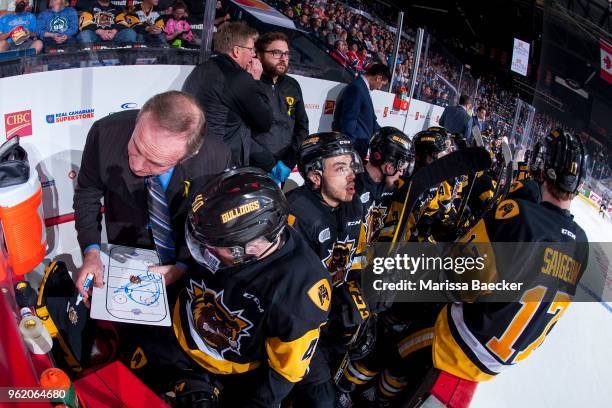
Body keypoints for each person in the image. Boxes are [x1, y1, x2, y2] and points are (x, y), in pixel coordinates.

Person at [369, 129, 589, 405]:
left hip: (463, 340)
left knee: (397, 353)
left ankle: (374, 400)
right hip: (501, 359)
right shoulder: (582, 244)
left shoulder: (519, 215)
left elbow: (456, 277)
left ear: (543, 168)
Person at [124, 167, 331, 407]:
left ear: (248, 248)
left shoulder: (298, 294)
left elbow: (283, 374)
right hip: (176, 333)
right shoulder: (219, 232)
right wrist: (179, 269)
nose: (202, 251)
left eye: (212, 247)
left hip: (228, 371)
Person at [73, 91, 232, 306]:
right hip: (123, 247)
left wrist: (183, 265)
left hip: (183, 253)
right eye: (136, 147)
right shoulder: (104, 134)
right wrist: (91, 251)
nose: (137, 165)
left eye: (156, 163)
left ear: (186, 157)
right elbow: (88, 192)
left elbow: (208, 221)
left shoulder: (215, 158)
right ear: (140, 120)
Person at [286, 132, 370, 407]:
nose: (351, 175)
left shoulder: (353, 204)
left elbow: (355, 260)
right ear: (314, 176)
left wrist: (360, 297)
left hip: (331, 320)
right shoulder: (296, 214)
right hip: (300, 329)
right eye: (340, 167)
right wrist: (335, 309)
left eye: (351, 165)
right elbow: (288, 298)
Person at [182, 22, 273, 168]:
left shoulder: (199, 70)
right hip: (223, 163)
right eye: (251, 49)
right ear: (236, 51)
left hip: (193, 156)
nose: (254, 54)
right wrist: (255, 81)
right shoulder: (239, 78)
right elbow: (265, 122)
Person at [254, 31, 309, 184]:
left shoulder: (292, 85)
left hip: (284, 166)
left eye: (286, 54)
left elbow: (302, 126)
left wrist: (288, 162)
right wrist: (268, 164)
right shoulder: (250, 83)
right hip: (254, 166)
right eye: (276, 53)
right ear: (259, 55)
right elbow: (241, 131)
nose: (283, 59)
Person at [356, 127, 415, 246]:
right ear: (389, 165)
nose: (402, 173)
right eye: (401, 166)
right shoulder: (353, 186)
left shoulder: (394, 185)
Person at [332, 63, 391, 159]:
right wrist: (349, 148)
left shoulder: (362, 88)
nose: (379, 88)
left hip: (360, 146)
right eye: (382, 84)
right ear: (378, 78)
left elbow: (370, 119)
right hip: (354, 149)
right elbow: (349, 120)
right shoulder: (356, 88)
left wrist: (385, 135)